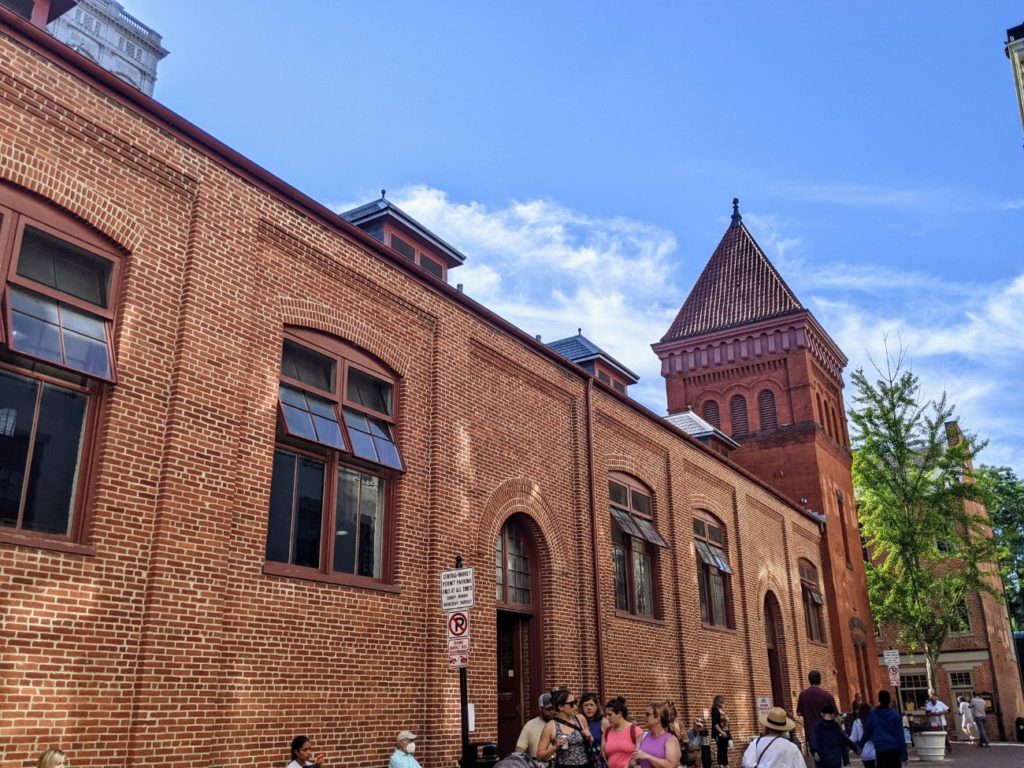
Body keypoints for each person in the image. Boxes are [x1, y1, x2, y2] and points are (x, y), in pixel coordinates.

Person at [541, 689, 592, 768]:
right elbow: (540, 756)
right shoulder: (551, 726)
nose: (575, 707)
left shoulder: (580, 718)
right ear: (560, 706)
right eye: (571, 704)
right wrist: (555, 747)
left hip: (585, 765)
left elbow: (591, 742)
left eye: (575, 702)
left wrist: (589, 737)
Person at [859, 691, 906, 768]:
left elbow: (867, 731)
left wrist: (861, 744)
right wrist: (903, 754)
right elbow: (900, 735)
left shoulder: (873, 714)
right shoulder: (895, 715)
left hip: (881, 749)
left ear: (879, 700)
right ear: (889, 700)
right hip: (894, 748)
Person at [796, 671, 837, 753]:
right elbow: (835, 715)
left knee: (817, 758)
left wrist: (807, 712)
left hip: (811, 732)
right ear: (820, 680)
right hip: (826, 732)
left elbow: (799, 713)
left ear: (809, 680)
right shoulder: (827, 695)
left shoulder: (803, 695)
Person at [633, 701, 681, 768]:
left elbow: (671, 765)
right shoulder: (642, 736)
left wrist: (647, 756)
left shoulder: (671, 740)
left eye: (647, 714)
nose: (644, 717)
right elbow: (634, 760)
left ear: (657, 719)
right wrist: (635, 765)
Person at [603, 696, 642, 768]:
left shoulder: (635, 730)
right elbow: (603, 753)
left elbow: (638, 756)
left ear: (619, 714)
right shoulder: (607, 731)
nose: (607, 718)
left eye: (610, 714)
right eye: (606, 715)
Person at [518, 692, 555, 760]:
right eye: (548, 709)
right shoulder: (530, 725)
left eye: (553, 708)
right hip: (538, 764)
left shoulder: (559, 724)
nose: (551, 712)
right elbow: (519, 752)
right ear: (540, 708)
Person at [710, 696, 730, 767]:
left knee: (724, 750)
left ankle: (725, 765)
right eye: (723, 702)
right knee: (721, 750)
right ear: (719, 702)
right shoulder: (715, 710)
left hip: (725, 732)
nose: (724, 704)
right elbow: (715, 724)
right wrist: (721, 732)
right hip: (720, 733)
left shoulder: (721, 710)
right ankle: (722, 765)